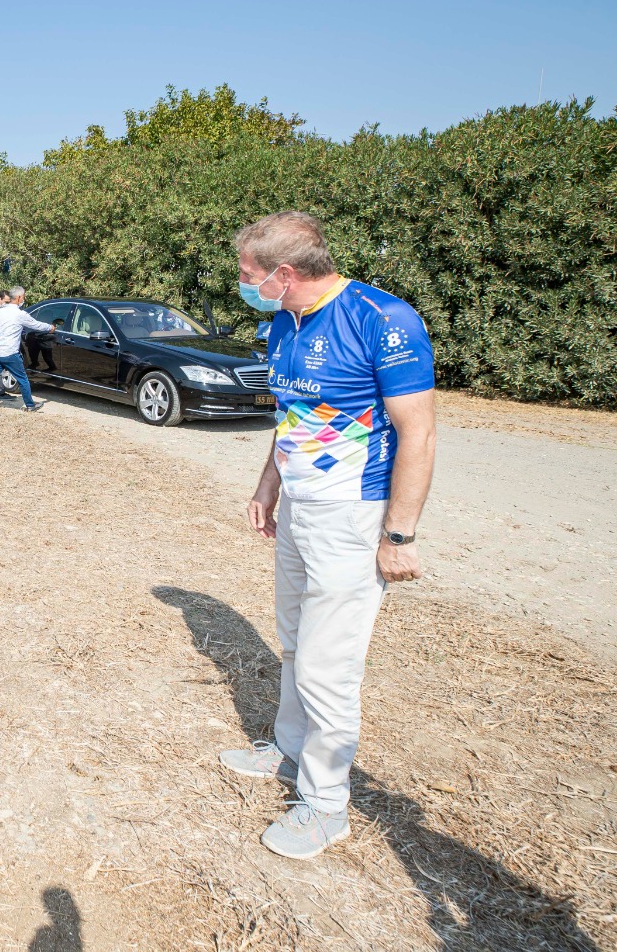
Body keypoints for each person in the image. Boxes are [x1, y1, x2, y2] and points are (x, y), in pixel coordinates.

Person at [221, 210, 436, 860]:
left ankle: (325, 807)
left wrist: (398, 535)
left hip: (355, 516)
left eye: (248, 274)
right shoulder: (282, 323)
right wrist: (269, 486)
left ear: (285, 274)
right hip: (300, 511)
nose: (242, 283)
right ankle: (287, 750)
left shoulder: (382, 320)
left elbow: (418, 433)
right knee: (293, 641)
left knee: (327, 667)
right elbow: (291, 418)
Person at [0, 286, 52, 412]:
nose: (23, 299)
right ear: (18, 298)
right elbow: (36, 325)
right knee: (23, 379)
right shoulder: (20, 314)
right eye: (23, 297)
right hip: (11, 354)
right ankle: (30, 405)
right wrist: (50, 327)